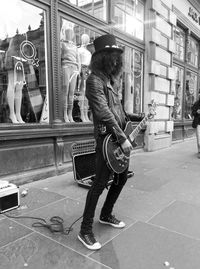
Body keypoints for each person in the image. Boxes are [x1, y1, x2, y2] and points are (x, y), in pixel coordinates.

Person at [78, 34, 144, 250]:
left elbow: (120, 112)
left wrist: (140, 116)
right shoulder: (93, 81)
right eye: (112, 57)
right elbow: (104, 113)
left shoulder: (110, 81)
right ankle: (85, 230)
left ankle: (106, 214)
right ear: (102, 58)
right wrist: (123, 137)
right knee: (98, 185)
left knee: (121, 178)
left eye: (118, 58)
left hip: (118, 139)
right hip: (107, 139)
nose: (116, 61)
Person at [5, 35, 26, 123]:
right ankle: (12, 113)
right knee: (12, 84)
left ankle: (17, 113)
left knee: (19, 86)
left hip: (21, 55)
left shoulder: (23, 29)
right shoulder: (13, 28)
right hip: (12, 54)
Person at [61, 28, 80, 122]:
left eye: (71, 33)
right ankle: (64, 113)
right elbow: (59, 57)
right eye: (68, 32)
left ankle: (70, 114)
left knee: (72, 92)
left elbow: (78, 59)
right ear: (65, 34)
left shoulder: (75, 47)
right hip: (65, 66)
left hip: (74, 68)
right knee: (65, 90)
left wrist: (78, 70)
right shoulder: (62, 44)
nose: (70, 34)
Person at [78, 34, 92, 122]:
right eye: (84, 39)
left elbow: (89, 64)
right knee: (82, 93)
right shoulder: (78, 50)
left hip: (88, 71)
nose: (85, 41)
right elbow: (78, 62)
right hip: (81, 70)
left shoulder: (89, 52)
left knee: (87, 94)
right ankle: (82, 114)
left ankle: (86, 114)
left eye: (87, 39)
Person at [191, 91, 200, 158]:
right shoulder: (196, 103)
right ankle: (199, 151)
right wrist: (196, 112)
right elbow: (193, 112)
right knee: (199, 138)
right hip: (198, 123)